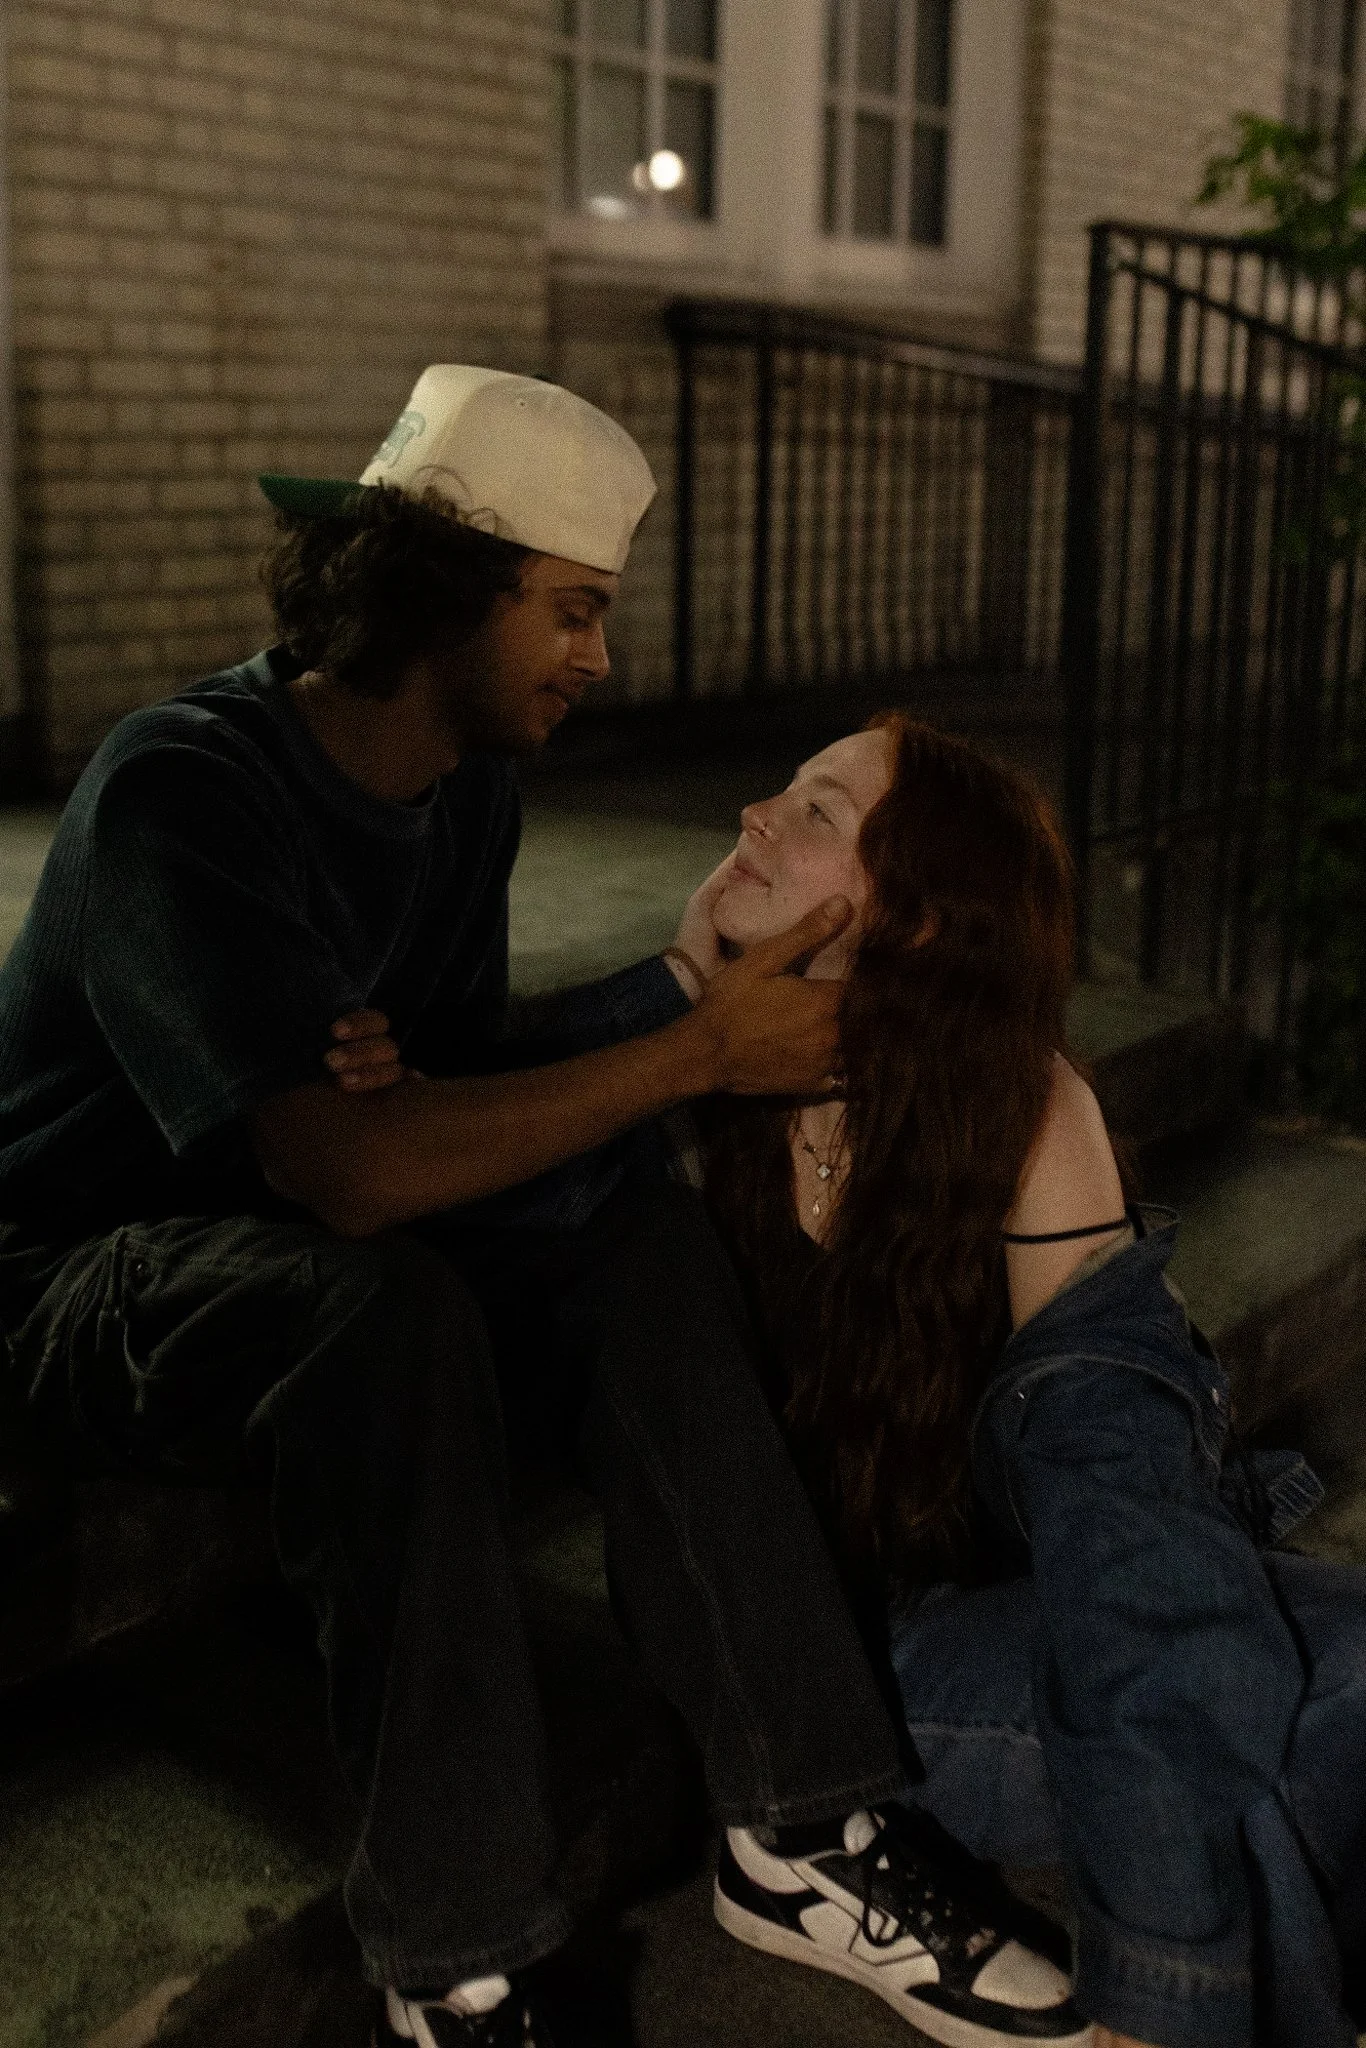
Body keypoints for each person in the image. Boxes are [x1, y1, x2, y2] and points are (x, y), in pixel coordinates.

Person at [0, 370, 1088, 2048]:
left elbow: (445, 1100)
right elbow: (358, 1171)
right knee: (389, 1307)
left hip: (278, 1243)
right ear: (440, 590)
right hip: (75, 1276)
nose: (599, 658)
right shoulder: (184, 787)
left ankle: (804, 1835)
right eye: (571, 612)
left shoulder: (465, 789)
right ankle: (456, 1971)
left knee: (624, 1232)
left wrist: (642, 1010)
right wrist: (686, 1051)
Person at [656, 711, 1366, 2048]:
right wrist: (679, 992)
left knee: (1285, 1660)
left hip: (987, 1612)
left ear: (919, 922)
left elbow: (1116, 1486)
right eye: (780, 790)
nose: (754, 813)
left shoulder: (1019, 1114)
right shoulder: (674, 1086)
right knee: (1247, 1706)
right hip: (818, 1684)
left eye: (816, 812)